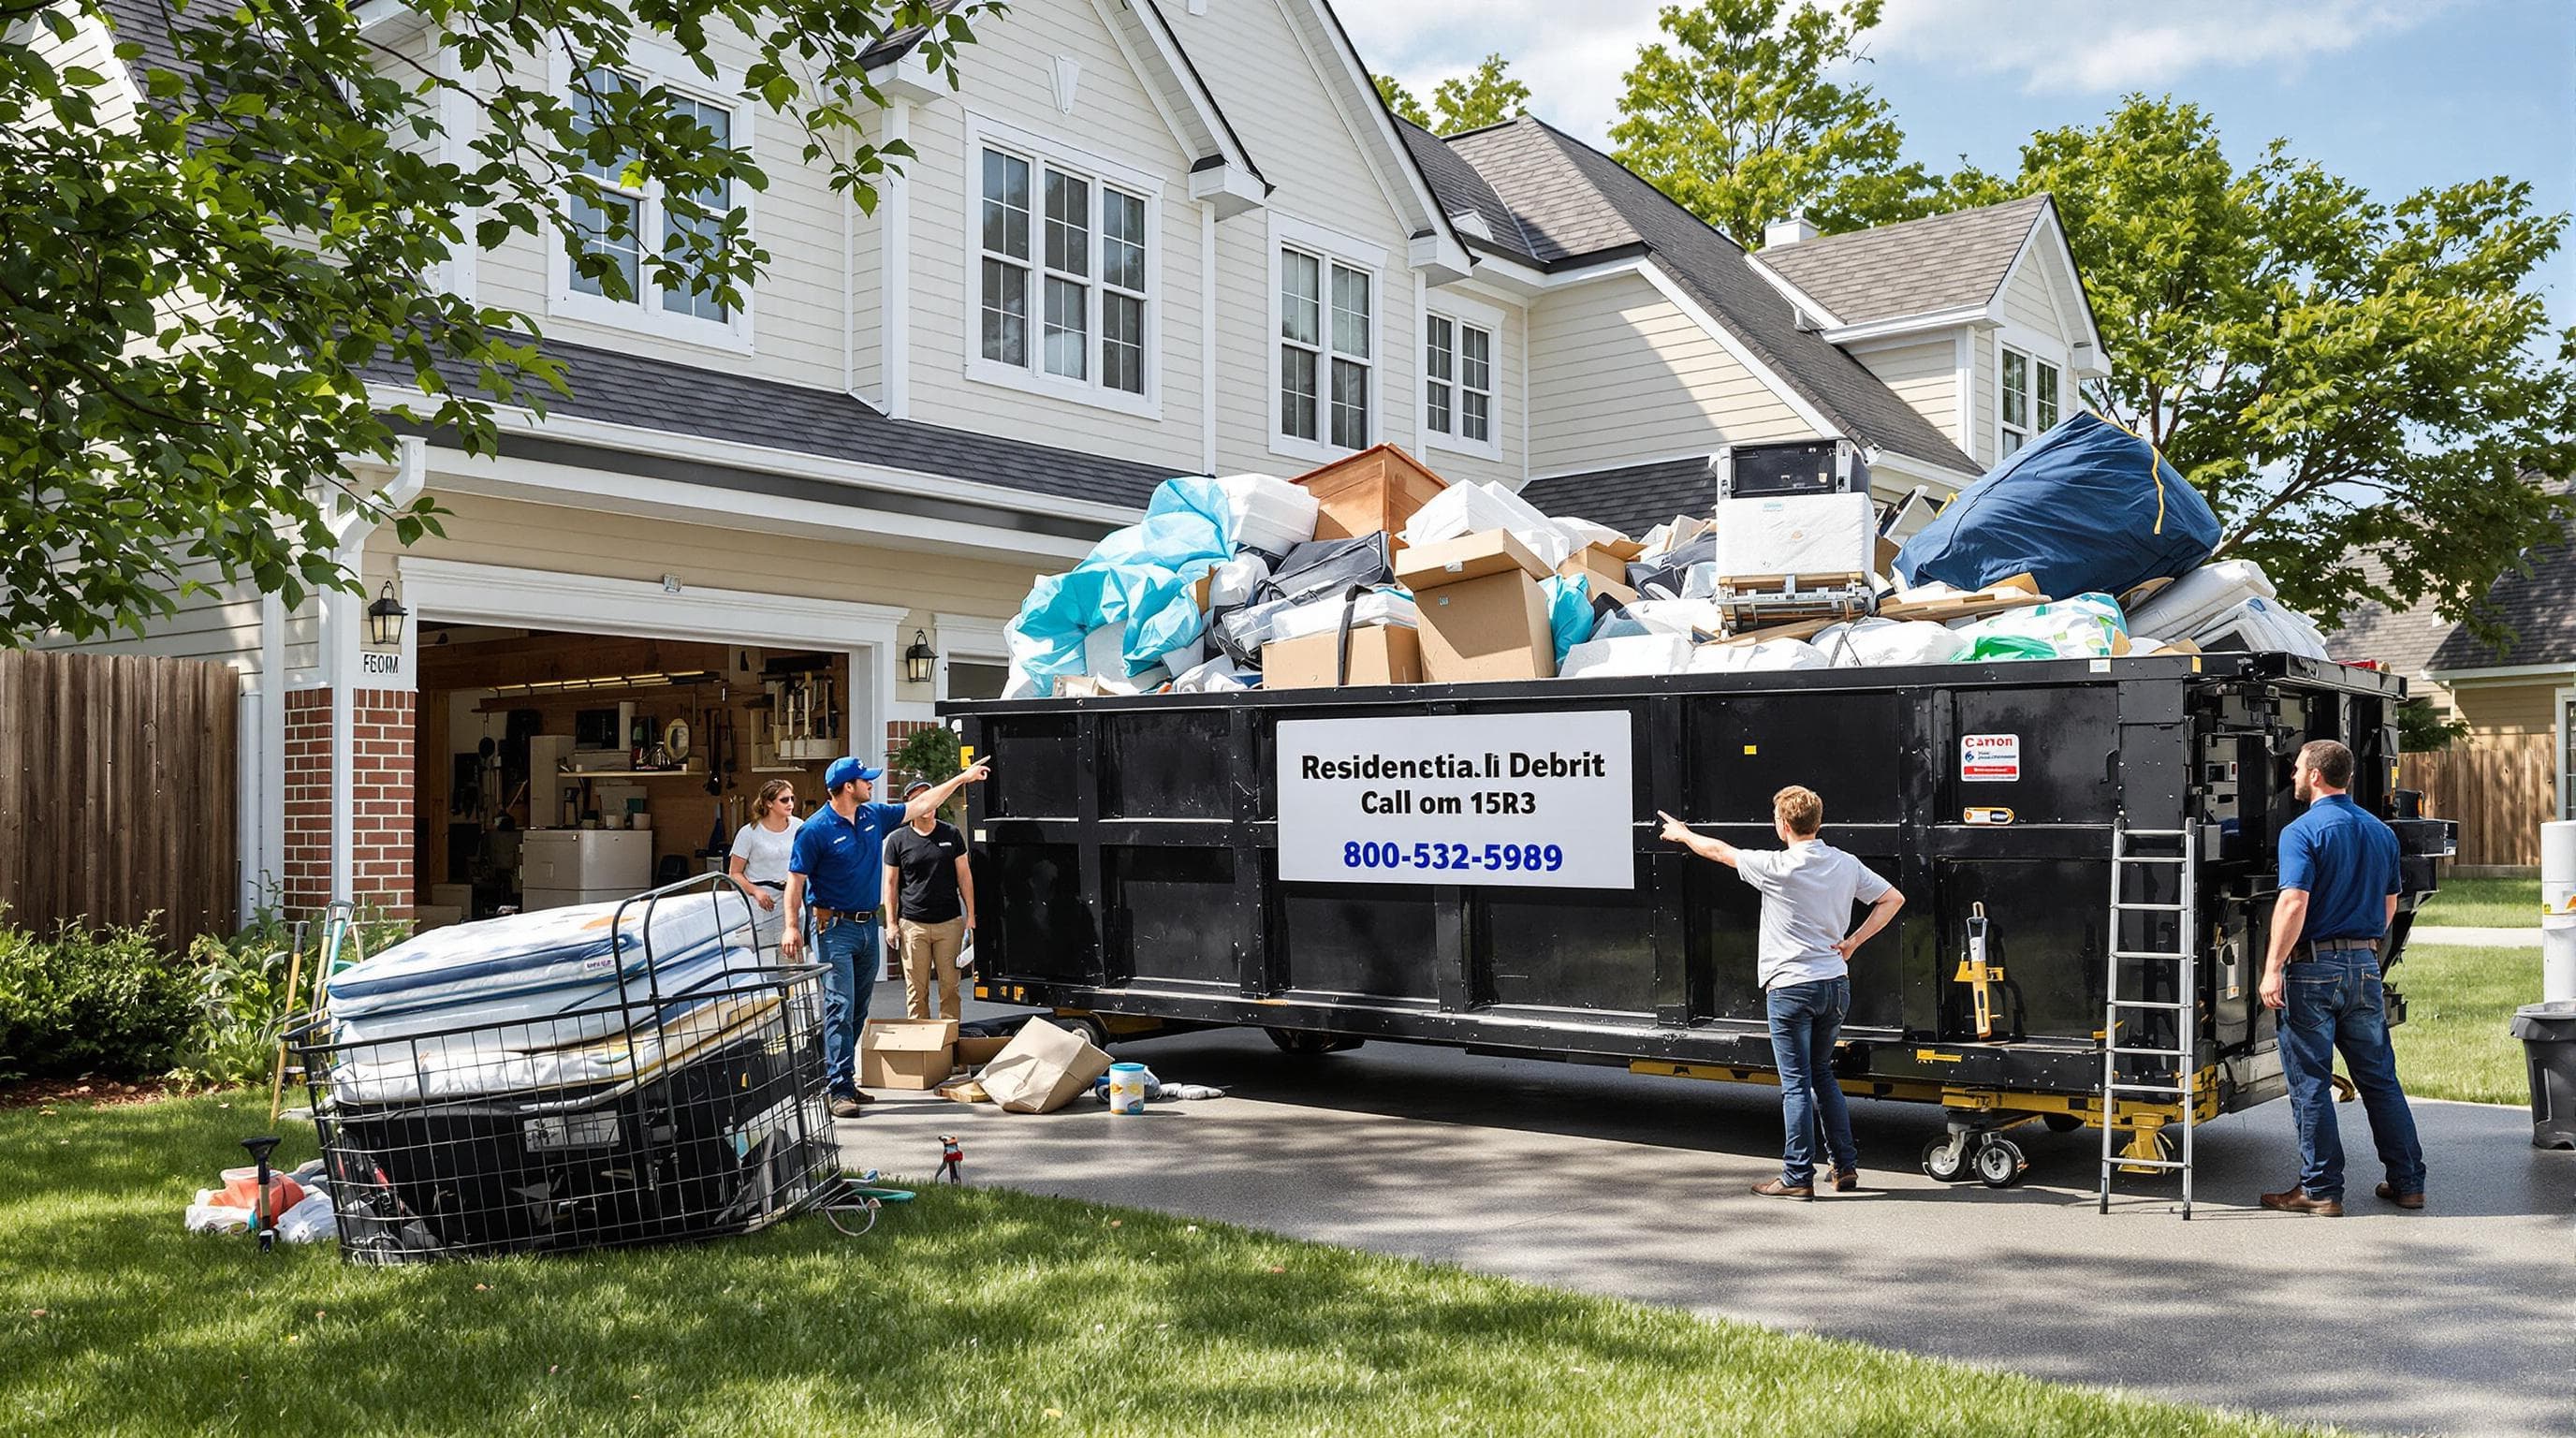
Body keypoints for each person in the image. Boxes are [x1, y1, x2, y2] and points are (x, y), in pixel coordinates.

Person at [1661, 786, 1905, 1200]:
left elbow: (1719, 851)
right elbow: (1892, 898)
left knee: (1795, 1084)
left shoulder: (1776, 866)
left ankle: (1796, 1177)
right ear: (1818, 822)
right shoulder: (1845, 864)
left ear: (1782, 825)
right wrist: (1853, 942)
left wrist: (1683, 833)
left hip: (1791, 988)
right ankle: (1844, 1167)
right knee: (1823, 1074)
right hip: (1834, 984)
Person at [2258, 739, 2426, 1217]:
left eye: (2296, 769)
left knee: (2310, 1081)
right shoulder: (2380, 832)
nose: (2292, 776)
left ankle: (2320, 1189)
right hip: (2364, 965)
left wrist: (2273, 968)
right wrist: (2366, 950)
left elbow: (2294, 902)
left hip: (2312, 971)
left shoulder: (2301, 831)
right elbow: (2389, 905)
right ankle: (2409, 1182)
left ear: (2314, 775)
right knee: (2380, 1080)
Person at [783, 754, 991, 1117]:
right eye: (866, 780)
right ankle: (839, 1089)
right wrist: (790, 926)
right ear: (848, 787)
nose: (871, 784)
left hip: (867, 927)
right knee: (840, 1006)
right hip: (833, 929)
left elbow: (923, 803)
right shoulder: (815, 829)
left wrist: (962, 778)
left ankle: (839, 1074)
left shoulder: (872, 815)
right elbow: (795, 881)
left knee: (858, 1008)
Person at [884, 779, 975, 1021]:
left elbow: (964, 876)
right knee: (917, 991)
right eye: (919, 798)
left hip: (949, 923)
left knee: (950, 989)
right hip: (913, 924)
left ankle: (950, 1045)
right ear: (909, 805)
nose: (927, 803)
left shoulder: (951, 834)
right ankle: (921, 1050)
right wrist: (891, 923)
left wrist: (971, 917)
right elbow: (890, 884)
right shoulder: (897, 840)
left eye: (931, 796)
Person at [727, 779, 802, 946]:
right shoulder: (749, 833)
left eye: (792, 798)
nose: (790, 803)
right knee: (765, 956)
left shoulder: (799, 827)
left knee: (791, 961)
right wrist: (755, 891)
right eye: (784, 800)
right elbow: (734, 873)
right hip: (762, 901)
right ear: (769, 803)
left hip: (792, 896)